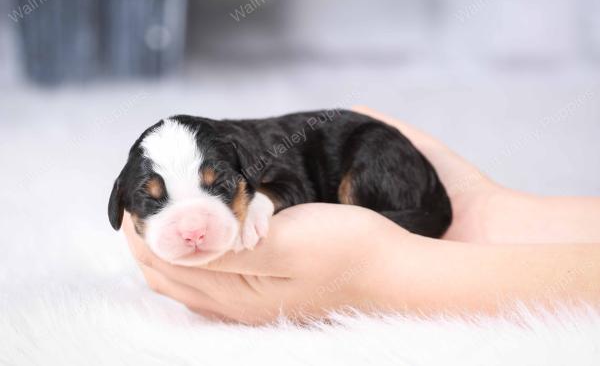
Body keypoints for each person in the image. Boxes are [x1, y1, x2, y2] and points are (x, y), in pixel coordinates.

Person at [122, 106, 600, 324]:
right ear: (121, 200)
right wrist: (488, 213)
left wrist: (382, 269)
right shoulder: (229, 154)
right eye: (152, 200)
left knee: (361, 165)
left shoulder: (257, 160)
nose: (190, 223)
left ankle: (405, 223)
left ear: (241, 168)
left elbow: (286, 184)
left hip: (365, 150)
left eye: (219, 189)